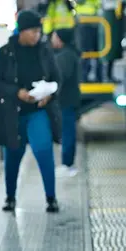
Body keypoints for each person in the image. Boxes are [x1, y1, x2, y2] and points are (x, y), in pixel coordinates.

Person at [0, 10, 62, 213]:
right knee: (13, 154)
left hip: (37, 110)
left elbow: (57, 78)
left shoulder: (44, 50)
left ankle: (51, 197)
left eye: (39, 31)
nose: (37, 35)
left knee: (43, 150)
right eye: (33, 31)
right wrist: (16, 92)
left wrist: (49, 94)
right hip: (13, 111)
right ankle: (10, 197)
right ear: (21, 31)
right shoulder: (5, 51)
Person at [51, 28, 81, 177]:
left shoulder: (65, 56)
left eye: (54, 36)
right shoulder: (69, 54)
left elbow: (60, 78)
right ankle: (68, 164)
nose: (52, 39)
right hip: (69, 99)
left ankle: (67, 164)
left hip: (65, 101)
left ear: (60, 39)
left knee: (67, 132)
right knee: (68, 131)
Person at [75, 0, 103, 82]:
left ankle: (99, 77)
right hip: (84, 22)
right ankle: (84, 77)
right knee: (85, 52)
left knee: (98, 51)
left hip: (95, 22)